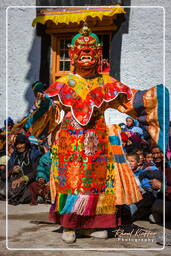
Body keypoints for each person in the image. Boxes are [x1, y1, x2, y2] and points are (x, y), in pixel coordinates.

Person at [19, 24, 168, 243]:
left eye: (91, 50)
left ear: (98, 54)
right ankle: (70, 225)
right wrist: (43, 105)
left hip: (98, 143)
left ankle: (97, 224)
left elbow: (130, 100)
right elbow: (49, 115)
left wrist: (153, 97)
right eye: (81, 50)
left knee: (99, 183)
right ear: (72, 54)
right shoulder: (62, 84)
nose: (86, 54)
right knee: (71, 181)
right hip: (69, 143)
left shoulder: (107, 82)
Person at [8, 134, 41, 205]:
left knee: (33, 188)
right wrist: (12, 170)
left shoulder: (34, 154)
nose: (19, 146)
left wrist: (23, 178)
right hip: (16, 180)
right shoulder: (14, 155)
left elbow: (36, 171)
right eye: (17, 144)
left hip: (31, 180)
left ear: (26, 144)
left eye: (22, 144)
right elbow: (8, 168)